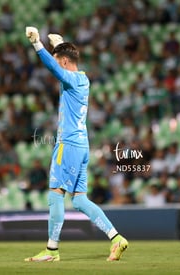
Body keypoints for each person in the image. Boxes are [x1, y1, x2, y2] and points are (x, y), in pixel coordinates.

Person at [24, 26, 128, 262]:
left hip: (68, 144)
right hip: (81, 145)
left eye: (58, 59)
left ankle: (51, 251)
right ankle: (116, 238)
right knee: (80, 199)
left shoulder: (69, 77)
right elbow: (63, 64)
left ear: (63, 62)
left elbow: (54, 68)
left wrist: (37, 44)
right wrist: (58, 45)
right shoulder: (82, 79)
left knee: (56, 194)